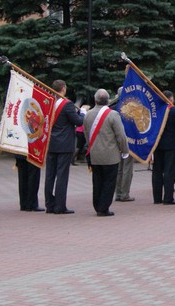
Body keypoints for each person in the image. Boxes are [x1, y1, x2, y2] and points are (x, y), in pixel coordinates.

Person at [84, 89, 129, 216]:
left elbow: (87, 135)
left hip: (94, 154)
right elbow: (121, 135)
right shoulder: (113, 115)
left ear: (95, 99)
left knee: (97, 181)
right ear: (107, 100)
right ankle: (103, 208)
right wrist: (125, 150)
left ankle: (97, 204)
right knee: (109, 182)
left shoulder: (88, 114)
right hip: (110, 155)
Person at [44, 80, 83, 214]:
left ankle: (49, 205)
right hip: (64, 144)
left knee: (50, 175)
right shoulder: (67, 105)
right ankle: (60, 206)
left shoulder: (49, 102)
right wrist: (82, 112)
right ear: (63, 89)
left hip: (51, 143)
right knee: (61, 175)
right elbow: (78, 122)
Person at [151, 91, 175, 205]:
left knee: (157, 171)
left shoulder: (155, 110)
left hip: (157, 144)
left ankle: (157, 198)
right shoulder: (174, 110)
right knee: (169, 171)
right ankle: (168, 197)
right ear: (170, 99)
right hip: (171, 145)